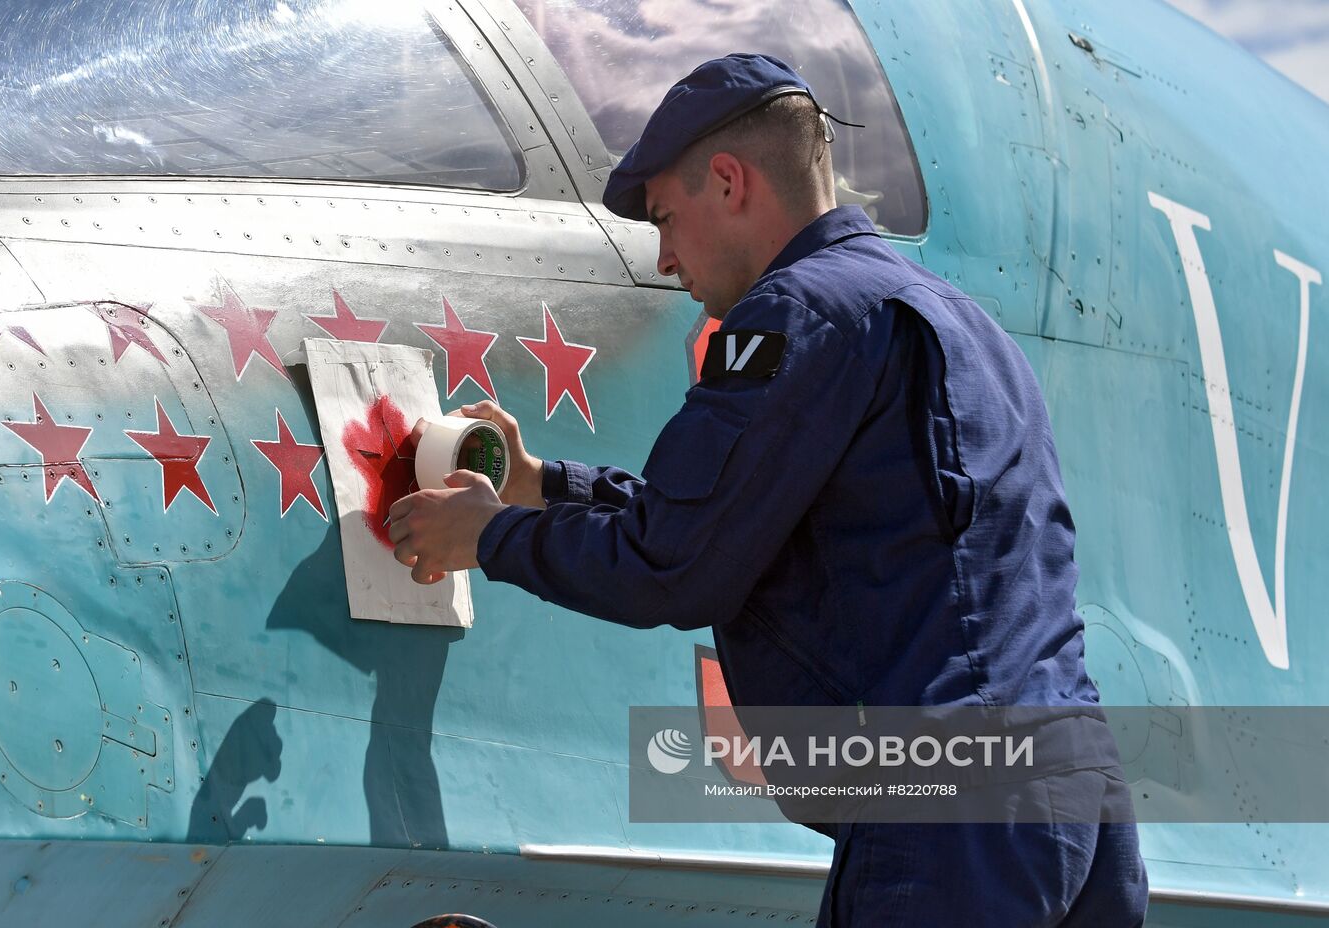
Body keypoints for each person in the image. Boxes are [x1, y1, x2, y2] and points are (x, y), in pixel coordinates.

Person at [386, 53, 1148, 927]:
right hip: (1076, 802)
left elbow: (672, 567)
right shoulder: (957, 322)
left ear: (729, 181)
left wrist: (483, 538)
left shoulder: (796, 316)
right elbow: (742, 516)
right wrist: (542, 486)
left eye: (667, 219)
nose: (666, 258)